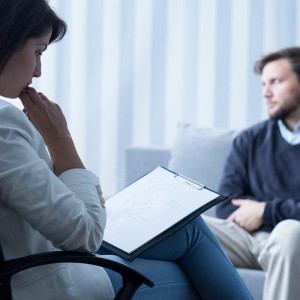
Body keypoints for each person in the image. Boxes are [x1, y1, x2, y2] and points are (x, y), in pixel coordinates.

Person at [0, 0, 252, 299]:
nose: (39, 71)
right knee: (190, 266)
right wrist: (60, 141)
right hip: (47, 283)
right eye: (38, 51)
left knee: (186, 229)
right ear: (7, 38)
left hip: (40, 259)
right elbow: (85, 235)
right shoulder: (4, 123)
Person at [203, 46, 300, 300]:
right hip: (250, 239)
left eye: (276, 82)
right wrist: (262, 214)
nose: (265, 93)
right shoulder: (250, 139)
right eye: (264, 84)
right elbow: (225, 204)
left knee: (291, 233)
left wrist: (264, 211)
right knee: (185, 226)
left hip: (293, 240)